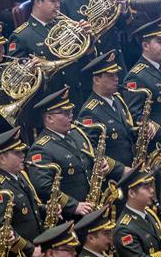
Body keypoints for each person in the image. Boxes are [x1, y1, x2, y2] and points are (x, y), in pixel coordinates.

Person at [27, 86, 123, 216]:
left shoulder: (76, 132)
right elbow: (44, 187)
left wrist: (103, 163)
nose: (70, 116)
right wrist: (73, 205)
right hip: (72, 215)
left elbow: (92, 153)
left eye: (71, 112)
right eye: (65, 113)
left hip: (94, 204)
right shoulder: (41, 149)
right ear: (50, 118)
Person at [0, 128, 43, 243]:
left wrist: (47, 209)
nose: (23, 155)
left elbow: (30, 207)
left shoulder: (20, 175)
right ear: (2, 158)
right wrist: (29, 249)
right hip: (23, 254)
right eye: (17, 153)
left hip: (36, 242)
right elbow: (3, 229)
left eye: (22, 151)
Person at [77, 51, 136, 166]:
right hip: (113, 177)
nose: (116, 79)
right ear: (97, 80)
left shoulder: (117, 99)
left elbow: (126, 132)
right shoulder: (89, 112)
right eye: (110, 75)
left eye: (116, 74)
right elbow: (90, 151)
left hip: (130, 167)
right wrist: (118, 169)